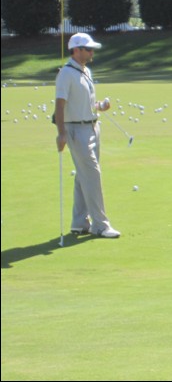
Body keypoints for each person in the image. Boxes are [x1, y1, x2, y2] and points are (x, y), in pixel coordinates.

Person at [55, 33, 121, 238]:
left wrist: (100, 106)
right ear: (77, 50)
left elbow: (86, 103)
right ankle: (100, 225)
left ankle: (79, 222)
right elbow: (60, 104)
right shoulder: (66, 73)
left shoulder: (86, 71)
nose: (92, 52)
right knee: (92, 175)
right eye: (88, 49)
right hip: (75, 130)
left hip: (92, 128)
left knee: (83, 175)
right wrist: (61, 133)